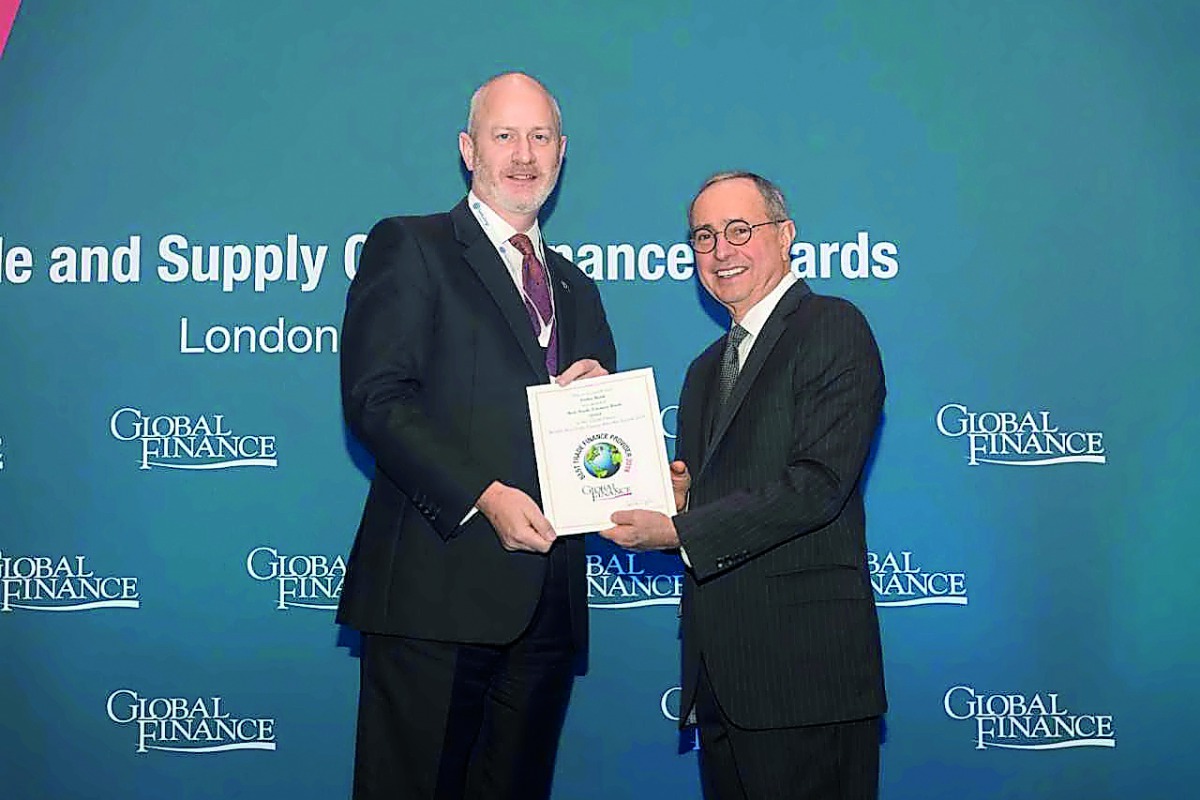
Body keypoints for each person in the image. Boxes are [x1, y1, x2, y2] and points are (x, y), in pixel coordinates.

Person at [338, 71, 616, 800]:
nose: (523, 155)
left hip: (546, 607)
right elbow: (376, 400)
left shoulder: (577, 286)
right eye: (504, 136)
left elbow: (596, 445)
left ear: (562, 153)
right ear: (469, 150)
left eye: (540, 137)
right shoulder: (412, 246)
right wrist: (484, 494)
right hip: (435, 594)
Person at [601, 172, 886, 799]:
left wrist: (681, 529)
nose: (721, 250)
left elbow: (818, 484)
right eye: (705, 237)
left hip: (806, 678)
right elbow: (719, 493)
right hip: (721, 679)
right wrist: (677, 496)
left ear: (785, 237)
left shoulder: (832, 327)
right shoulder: (706, 369)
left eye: (739, 230)